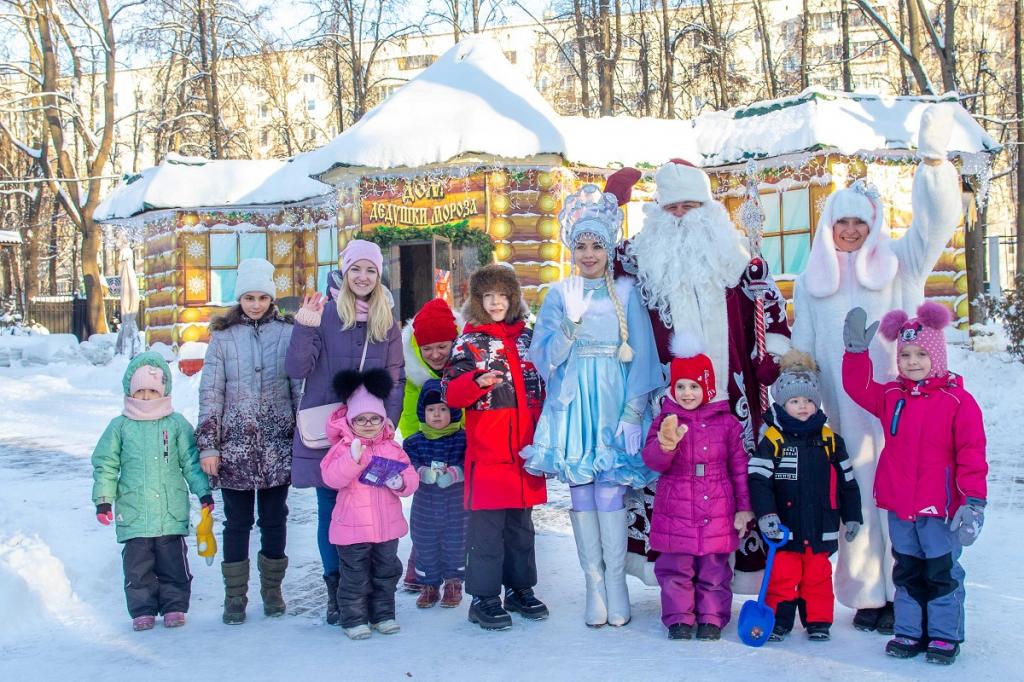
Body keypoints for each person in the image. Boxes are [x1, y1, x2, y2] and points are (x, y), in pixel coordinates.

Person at [791, 104, 963, 633]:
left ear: (872, 224)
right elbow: (804, 351)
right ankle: (870, 597)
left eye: (857, 222)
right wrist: (804, 410)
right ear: (828, 225)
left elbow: (935, 226)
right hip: (843, 416)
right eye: (840, 221)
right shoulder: (809, 279)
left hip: (900, 410)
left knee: (906, 501)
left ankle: (910, 593)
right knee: (855, 502)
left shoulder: (898, 263)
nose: (848, 231)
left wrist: (933, 165)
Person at [606, 161, 790, 589]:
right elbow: (599, 258)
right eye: (672, 208)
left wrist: (772, 358)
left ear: (708, 208)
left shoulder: (737, 261)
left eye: (691, 205)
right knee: (676, 488)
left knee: (731, 486)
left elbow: (771, 316)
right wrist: (612, 204)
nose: (682, 215)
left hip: (731, 399)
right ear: (658, 213)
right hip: (669, 401)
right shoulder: (643, 260)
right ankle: (677, 578)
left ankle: (725, 579)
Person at [520, 184, 662, 627]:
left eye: (596, 245)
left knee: (610, 489)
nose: (588, 254)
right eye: (580, 245)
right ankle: (593, 586)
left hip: (614, 404)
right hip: (575, 405)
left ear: (608, 248)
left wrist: (634, 411)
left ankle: (616, 583)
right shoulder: (559, 295)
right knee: (582, 491)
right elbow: (542, 359)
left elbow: (644, 354)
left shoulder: (626, 292)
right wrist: (569, 327)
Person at [842, 304, 987, 665]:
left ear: (937, 355)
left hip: (941, 508)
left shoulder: (958, 402)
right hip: (901, 506)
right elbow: (858, 388)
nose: (912, 361)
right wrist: (856, 355)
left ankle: (943, 635)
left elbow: (972, 454)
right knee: (906, 570)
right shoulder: (893, 396)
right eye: (905, 354)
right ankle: (909, 630)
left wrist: (973, 502)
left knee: (941, 572)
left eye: (922, 354)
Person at [287, 239, 405, 625]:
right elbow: (297, 368)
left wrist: (389, 422)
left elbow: (395, 376)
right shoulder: (323, 313)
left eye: (371, 270)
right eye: (356, 269)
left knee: (373, 511)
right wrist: (304, 327)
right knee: (331, 514)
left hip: (371, 432)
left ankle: (369, 590)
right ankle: (338, 592)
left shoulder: (385, 318)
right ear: (345, 270)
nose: (363, 277)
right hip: (329, 432)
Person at [441, 264, 548, 631]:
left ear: (513, 298)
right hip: (489, 450)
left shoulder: (529, 338)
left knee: (521, 527)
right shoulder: (468, 342)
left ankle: (520, 589)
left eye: (503, 296)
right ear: (478, 301)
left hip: (524, 450)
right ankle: (484, 598)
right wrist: (476, 380)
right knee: (487, 531)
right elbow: (451, 393)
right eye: (489, 296)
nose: (497, 302)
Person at [197, 258, 301, 624]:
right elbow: (210, 393)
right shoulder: (223, 337)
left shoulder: (288, 333)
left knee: (275, 519)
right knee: (237, 522)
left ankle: (273, 590)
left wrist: (302, 439)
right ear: (239, 297)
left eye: (262, 297)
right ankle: (235, 596)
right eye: (249, 297)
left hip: (276, 444)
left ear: (271, 298)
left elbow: (298, 389)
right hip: (235, 445)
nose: (255, 304)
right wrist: (209, 446)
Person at [641, 336, 754, 641]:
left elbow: (740, 468)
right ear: (672, 389)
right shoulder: (666, 419)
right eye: (681, 386)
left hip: (717, 504)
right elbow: (652, 460)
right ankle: (679, 617)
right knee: (675, 566)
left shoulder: (727, 423)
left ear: (707, 387)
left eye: (694, 386)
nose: (687, 393)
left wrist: (744, 508)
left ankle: (712, 617)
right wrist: (666, 444)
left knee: (714, 568)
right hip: (676, 504)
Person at [92, 352, 213, 631]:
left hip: (170, 512)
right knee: (138, 568)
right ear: (130, 391)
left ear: (164, 391)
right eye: (140, 391)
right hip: (134, 512)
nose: (146, 397)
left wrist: (203, 493)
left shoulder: (176, 424)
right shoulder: (120, 427)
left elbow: (191, 464)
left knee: (173, 564)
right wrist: (103, 500)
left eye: (152, 391)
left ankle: (174, 606)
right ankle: (142, 609)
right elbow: (106, 465)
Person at [748, 350, 863, 643]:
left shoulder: (830, 441)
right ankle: (779, 621)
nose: (803, 406)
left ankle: (818, 621)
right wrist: (766, 515)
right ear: (782, 403)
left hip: (820, 525)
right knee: (783, 578)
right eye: (795, 401)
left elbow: (848, 482)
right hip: (785, 528)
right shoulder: (773, 440)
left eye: (809, 400)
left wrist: (851, 516)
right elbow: (759, 481)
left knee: (818, 578)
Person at [320, 368, 419, 640]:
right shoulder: (342, 448)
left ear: (383, 419)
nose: (367, 423)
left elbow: (411, 478)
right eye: (360, 419)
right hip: (352, 530)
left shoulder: (392, 448)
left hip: (386, 529)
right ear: (350, 421)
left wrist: (400, 483)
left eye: (374, 418)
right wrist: (352, 460)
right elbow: (331, 478)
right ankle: (354, 619)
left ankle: (383, 615)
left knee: (386, 574)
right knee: (354, 577)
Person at [398, 297, 461, 592]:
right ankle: (420, 560)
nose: (435, 354)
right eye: (428, 349)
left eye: (442, 347)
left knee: (459, 512)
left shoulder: (464, 362)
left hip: (458, 442)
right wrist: (417, 452)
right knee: (426, 512)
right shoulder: (413, 371)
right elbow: (409, 417)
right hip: (427, 444)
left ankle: (458, 566)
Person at [404, 379, 468, 609]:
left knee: (456, 544)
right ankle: (429, 585)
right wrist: (421, 472)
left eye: (443, 409)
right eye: (431, 410)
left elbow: (469, 462)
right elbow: (407, 464)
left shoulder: (463, 438)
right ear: (423, 412)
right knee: (425, 544)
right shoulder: (414, 442)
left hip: (456, 507)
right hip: (425, 507)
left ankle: (453, 583)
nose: (437, 415)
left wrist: (455, 473)